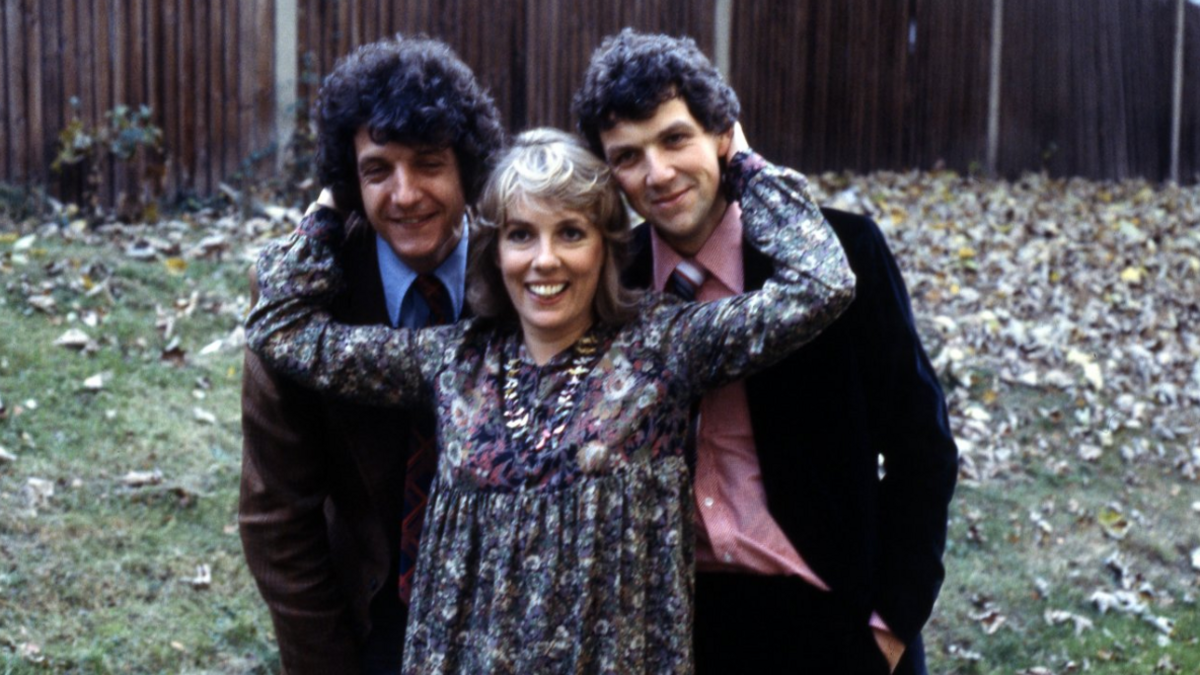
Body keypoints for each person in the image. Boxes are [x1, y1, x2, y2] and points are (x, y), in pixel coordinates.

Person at [245, 127, 855, 674]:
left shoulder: (665, 347)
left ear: (606, 246)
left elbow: (822, 283)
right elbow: (281, 331)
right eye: (520, 235)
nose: (544, 260)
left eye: (570, 232)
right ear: (495, 250)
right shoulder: (451, 359)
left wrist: (740, 162)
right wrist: (334, 201)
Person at [572, 29, 959, 675]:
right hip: (678, 621)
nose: (658, 174)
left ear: (725, 135)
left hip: (830, 609)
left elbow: (924, 447)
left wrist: (890, 622)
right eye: (627, 156)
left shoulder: (842, 253)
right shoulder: (612, 285)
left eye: (675, 138)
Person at [237, 35, 504, 674]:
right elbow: (277, 519)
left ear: (467, 166)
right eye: (378, 170)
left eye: (429, 163)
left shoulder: (522, 268)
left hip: (506, 608)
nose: (405, 195)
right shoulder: (299, 300)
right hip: (373, 609)